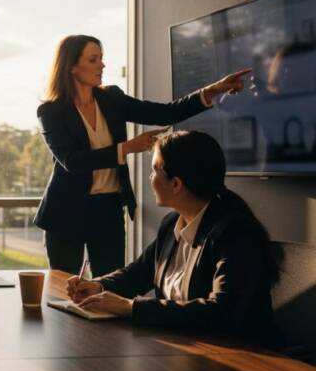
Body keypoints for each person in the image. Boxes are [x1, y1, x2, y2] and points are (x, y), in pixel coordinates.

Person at [35, 34, 252, 277]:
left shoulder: (112, 99)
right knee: (62, 291)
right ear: (72, 67)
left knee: (108, 287)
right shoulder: (50, 111)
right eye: (94, 59)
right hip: (65, 213)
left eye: (101, 58)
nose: (102, 65)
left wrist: (210, 92)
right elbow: (72, 162)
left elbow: (164, 113)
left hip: (108, 209)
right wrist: (126, 148)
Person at [66, 130, 282, 348]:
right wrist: (98, 286)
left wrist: (131, 307)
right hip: (182, 350)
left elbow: (221, 311)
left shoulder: (236, 232)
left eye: (153, 170)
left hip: (242, 357)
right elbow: (139, 272)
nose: (150, 178)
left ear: (176, 184)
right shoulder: (171, 224)